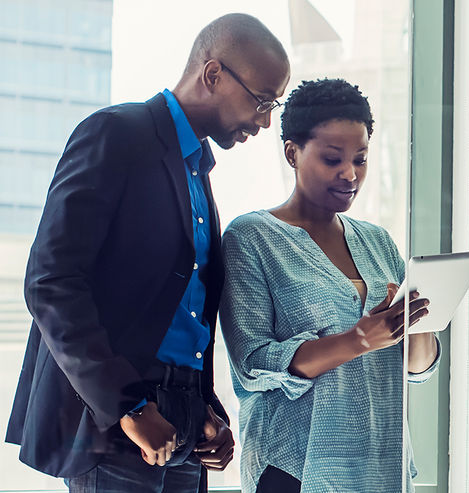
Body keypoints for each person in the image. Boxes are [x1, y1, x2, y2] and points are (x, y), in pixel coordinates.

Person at [4, 13, 290, 493]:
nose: (263, 121)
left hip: (183, 428)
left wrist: (207, 410)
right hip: (116, 425)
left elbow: (182, 309)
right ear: (214, 74)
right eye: (262, 102)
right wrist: (128, 407)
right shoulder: (116, 135)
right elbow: (51, 281)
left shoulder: (196, 169)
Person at [220, 78, 439, 493]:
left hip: (380, 468)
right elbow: (254, 363)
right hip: (293, 469)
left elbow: (417, 368)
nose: (350, 174)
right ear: (293, 153)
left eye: (360, 159)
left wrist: (417, 320)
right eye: (332, 159)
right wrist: (359, 338)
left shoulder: (378, 242)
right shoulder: (251, 237)